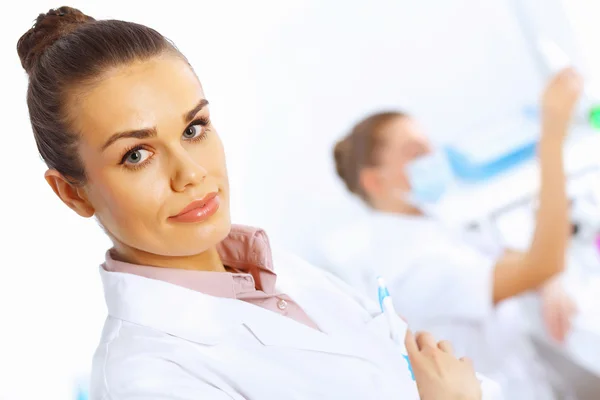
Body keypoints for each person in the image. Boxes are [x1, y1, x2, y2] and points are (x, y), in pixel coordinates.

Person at [16, 6, 502, 400]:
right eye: (136, 154)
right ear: (72, 192)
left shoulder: (274, 271)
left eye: (193, 128)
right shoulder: (146, 380)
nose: (191, 173)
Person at [330, 69, 583, 399]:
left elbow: (517, 261)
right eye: (416, 152)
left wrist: (548, 282)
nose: (434, 158)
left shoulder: (427, 221)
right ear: (374, 182)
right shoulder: (407, 265)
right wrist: (551, 138)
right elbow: (542, 263)